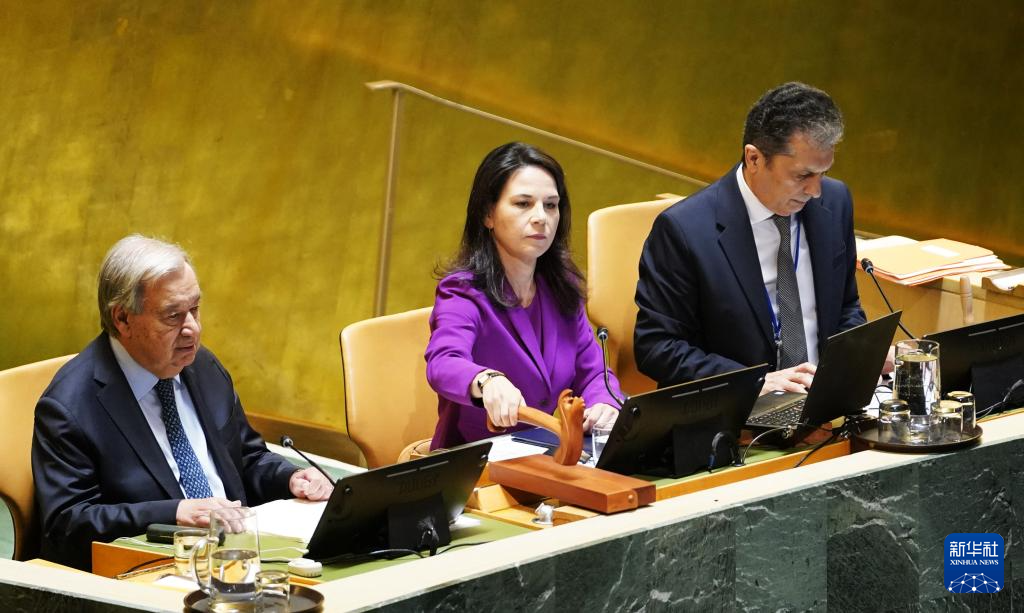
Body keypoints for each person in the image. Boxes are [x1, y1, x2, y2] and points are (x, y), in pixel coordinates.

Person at [31, 235, 333, 570]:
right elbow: (68, 522)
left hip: (239, 553)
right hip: (146, 569)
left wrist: (291, 478)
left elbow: (247, 458)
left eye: (195, 309)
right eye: (173, 316)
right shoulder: (70, 407)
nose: (192, 329)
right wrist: (174, 512)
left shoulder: (202, 366)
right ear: (123, 319)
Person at [635, 82, 868, 394]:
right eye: (802, 176)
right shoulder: (684, 231)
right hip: (737, 410)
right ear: (754, 159)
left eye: (822, 174)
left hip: (821, 401)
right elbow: (657, 347)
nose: (815, 191)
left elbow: (846, 306)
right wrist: (754, 383)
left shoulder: (835, 202)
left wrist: (857, 357)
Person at [426, 142, 623, 449]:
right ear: (488, 214)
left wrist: (604, 404)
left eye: (551, 205)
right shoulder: (463, 291)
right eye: (523, 204)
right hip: (475, 461)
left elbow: (595, 373)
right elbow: (443, 362)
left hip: (541, 452)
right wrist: (487, 381)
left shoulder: (561, 288)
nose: (541, 217)